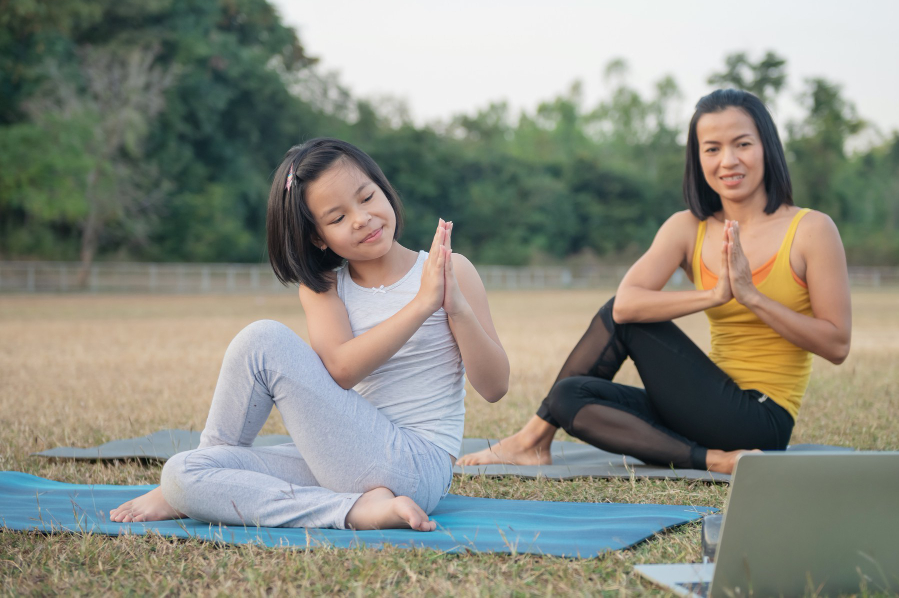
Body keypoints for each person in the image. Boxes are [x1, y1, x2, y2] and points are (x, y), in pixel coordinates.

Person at [110, 138, 509, 531]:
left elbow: (494, 387)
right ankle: (350, 509)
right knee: (182, 472)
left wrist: (452, 305)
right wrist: (422, 304)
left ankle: (233, 491)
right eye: (337, 218)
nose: (361, 218)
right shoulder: (324, 285)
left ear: (384, 190)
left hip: (416, 468)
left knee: (266, 338)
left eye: (367, 197)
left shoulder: (450, 270)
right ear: (319, 237)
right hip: (343, 459)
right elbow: (342, 368)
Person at [458, 88, 851, 475]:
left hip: (761, 419)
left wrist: (752, 297)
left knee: (625, 320)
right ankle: (714, 460)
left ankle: (531, 439)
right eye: (712, 149)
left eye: (742, 144)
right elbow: (626, 304)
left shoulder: (811, 230)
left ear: (767, 147)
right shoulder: (688, 228)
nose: (728, 160)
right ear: (698, 159)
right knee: (568, 396)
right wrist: (713, 295)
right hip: (704, 407)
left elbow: (836, 344)